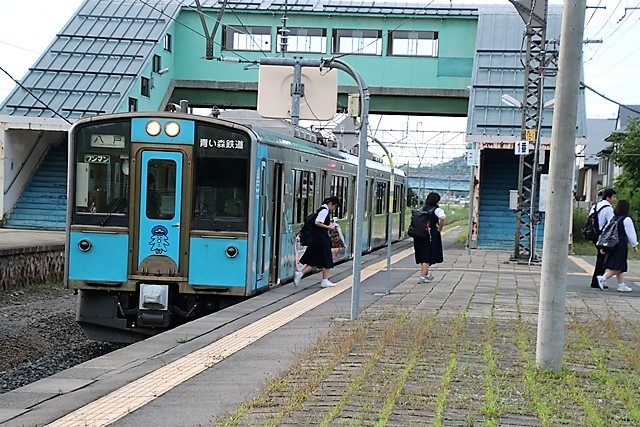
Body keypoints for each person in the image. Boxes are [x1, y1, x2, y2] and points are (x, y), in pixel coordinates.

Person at [295, 196, 341, 288]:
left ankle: (300, 274)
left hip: (316, 239)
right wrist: (329, 227)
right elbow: (317, 222)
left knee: (313, 261)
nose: (334, 209)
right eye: (334, 207)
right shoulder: (324, 211)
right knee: (327, 258)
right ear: (330, 204)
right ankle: (325, 280)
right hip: (321, 239)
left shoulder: (321, 210)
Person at [597, 199, 638, 292]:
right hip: (620, 246)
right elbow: (631, 234)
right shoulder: (626, 219)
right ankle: (603, 278)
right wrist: (634, 245)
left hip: (612, 245)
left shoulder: (614, 218)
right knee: (619, 266)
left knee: (617, 265)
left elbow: (607, 231)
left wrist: (603, 246)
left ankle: (621, 285)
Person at [413, 192, 446, 283]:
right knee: (428, 255)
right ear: (437, 201)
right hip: (430, 234)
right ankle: (422, 276)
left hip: (419, 234)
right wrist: (440, 228)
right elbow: (442, 218)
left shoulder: (421, 209)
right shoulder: (437, 210)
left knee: (423, 254)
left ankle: (426, 274)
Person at [590, 188, 617, 288]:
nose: (614, 199)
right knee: (602, 259)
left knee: (600, 258)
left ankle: (596, 280)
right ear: (608, 197)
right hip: (603, 236)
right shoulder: (608, 209)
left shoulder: (595, 206)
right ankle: (597, 281)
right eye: (613, 197)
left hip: (594, 234)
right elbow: (611, 224)